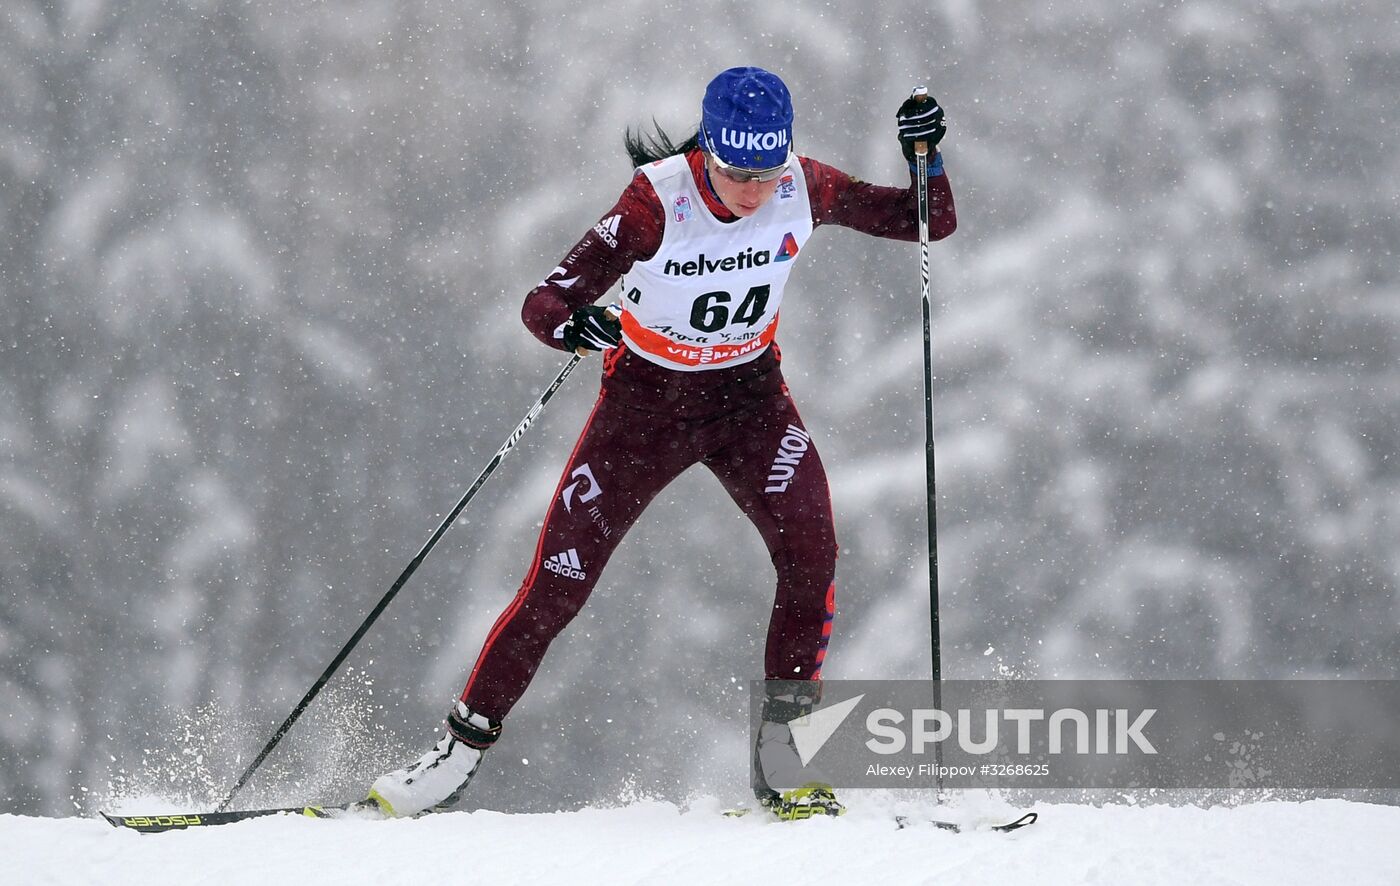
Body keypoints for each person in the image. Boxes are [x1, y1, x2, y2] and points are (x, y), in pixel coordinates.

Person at [365, 66, 956, 819]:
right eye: (737, 172)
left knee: (812, 551)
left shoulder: (803, 186)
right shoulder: (656, 201)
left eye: (766, 171)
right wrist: (570, 324)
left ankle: (785, 761)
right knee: (559, 583)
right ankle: (455, 754)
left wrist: (927, 158)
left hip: (749, 402)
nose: (752, 191)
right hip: (643, 410)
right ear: (708, 150)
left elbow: (926, 221)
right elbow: (545, 300)